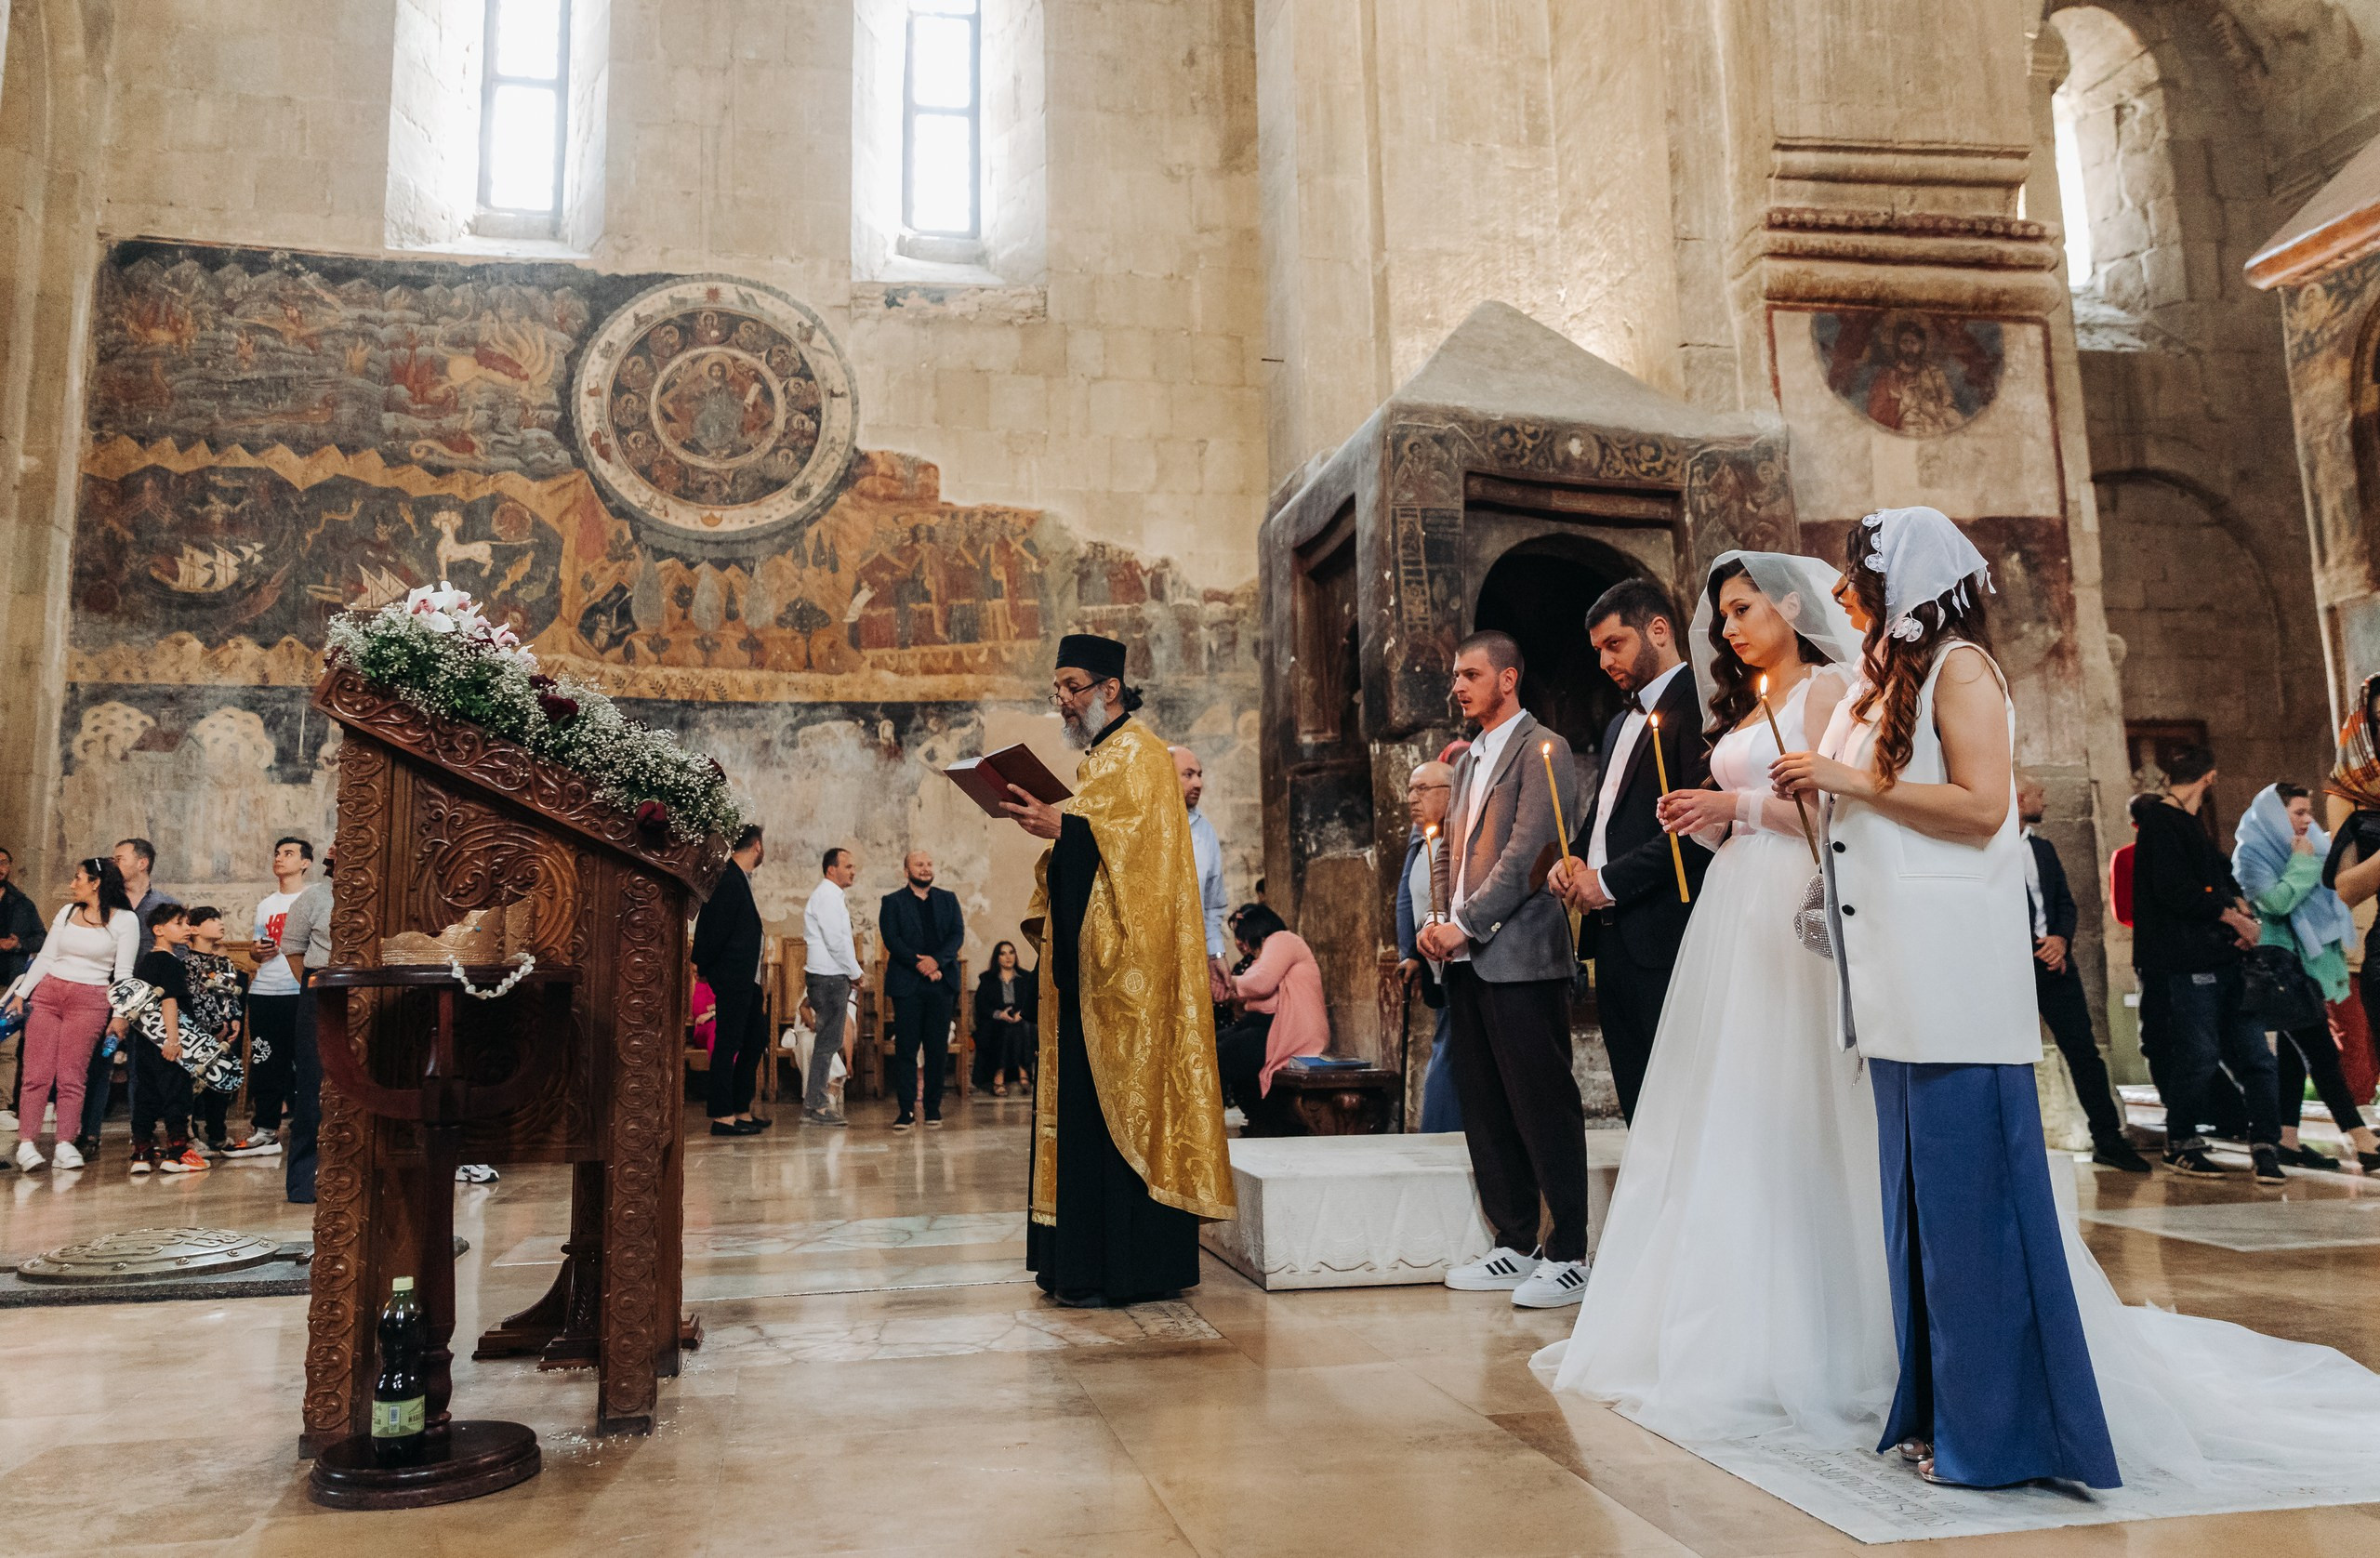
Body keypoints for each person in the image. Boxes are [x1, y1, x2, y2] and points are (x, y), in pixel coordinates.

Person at [1787, 506, 2118, 1488]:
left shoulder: (1962, 667)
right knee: (1921, 1212)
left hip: (1955, 981)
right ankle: (1939, 1410)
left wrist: (1848, 778)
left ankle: (2006, 1430)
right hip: (1898, 975)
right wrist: (1822, 786)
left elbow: (1982, 809)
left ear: (1902, 582)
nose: (1848, 595)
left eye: (1861, 577)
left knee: (1972, 1212)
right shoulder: (1888, 679)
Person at [1540, 550, 1878, 1439]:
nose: (1727, 627)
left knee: (1788, 1094)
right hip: (1733, 904)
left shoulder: (1826, 692)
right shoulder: (1742, 702)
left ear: (1791, 605)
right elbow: (1748, 797)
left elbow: (1836, 811)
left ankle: (1823, 1328)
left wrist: (1733, 811)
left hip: (1785, 901)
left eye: (1741, 608)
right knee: (1721, 1106)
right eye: (1720, 613)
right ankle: (1718, 1311)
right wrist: (1705, 810)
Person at [998, 631, 1233, 1307]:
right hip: (1090, 971)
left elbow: (1142, 866)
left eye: (1072, 687)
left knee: (1112, 1120)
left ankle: (1126, 1266)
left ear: (1110, 689)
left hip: (1128, 978)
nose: (1063, 702)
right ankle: (1079, 1261)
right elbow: (1101, 846)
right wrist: (1061, 829)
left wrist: (1064, 830)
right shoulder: (1103, 759)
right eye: (1057, 690)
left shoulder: (1143, 756)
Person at [1415, 629, 1591, 1310]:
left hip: (1520, 957)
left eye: (1470, 674)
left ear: (1508, 678)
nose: (1458, 685)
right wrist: (1440, 921)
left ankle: (1570, 1250)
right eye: (1457, 675)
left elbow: (1530, 852)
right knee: (1484, 1106)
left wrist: (1468, 922)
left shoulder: (1544, 747)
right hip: (1466, 957)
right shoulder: (1465, 762)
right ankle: (1514, 1241)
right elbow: (1456, 856)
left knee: (1543, 1105)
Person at [1550, 577, 1714, 1122]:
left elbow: (1698, 831)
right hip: (1613, 940)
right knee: (1638, 1103)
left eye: (1614, 644)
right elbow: (1606, 817)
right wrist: (1574, 857)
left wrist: (1609, 881)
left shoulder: (1701, 703)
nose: (1602, 661)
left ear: (1659, 630)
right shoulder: (1621, 719)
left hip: (1667, 929)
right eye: (1597, 649)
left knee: (1679, 1101)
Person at [2132, 746, 2281, 1182]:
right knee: (2199, 1055)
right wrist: (2230, 914)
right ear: (2210, 779)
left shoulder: (2188, 822)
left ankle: (2267, 1147)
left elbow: (2217, 875)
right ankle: (2181, 1142)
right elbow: (2173, 889)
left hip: (2226, 956)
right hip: (2188, 961)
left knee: (2257, 1056)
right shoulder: (2162, 821)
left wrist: (2239, 909)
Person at [2236, 783, 2380, 1172]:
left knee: (2294, 1059)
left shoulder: (2312, 844)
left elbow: (2336, 892)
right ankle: (2362, 1140)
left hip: (2307, 967)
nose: (2308, 820)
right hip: (2279, 969)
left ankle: (2287, 1139)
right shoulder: (2253, 852)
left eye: (2308, 812)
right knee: (2322, 1054)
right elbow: (2275, 901)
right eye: (2298, 813)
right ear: (2273, 815)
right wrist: (2302, 864)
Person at [2016, 776, 2152, 1172]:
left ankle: (2107, 1138)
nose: (2045, 798)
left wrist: (2059, 939)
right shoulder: (1987, 850)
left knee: (2084, 1053)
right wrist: (2033, 946)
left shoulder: (2042, 848)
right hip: (2014, 966)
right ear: (2020, 798)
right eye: (2038, 793)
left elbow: (2063, 901)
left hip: (2056, 965)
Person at [3, 857, 138, 1172]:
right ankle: (26, 1143)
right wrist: (22, 994)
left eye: (78, 878)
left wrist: (120, 1015)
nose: (72, 884)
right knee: (36, 1074)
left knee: (72, 1076)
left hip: (90, 999)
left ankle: (65, 1142)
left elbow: (124, 974)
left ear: (96, 883)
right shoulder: (67, 911)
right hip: (49, 995)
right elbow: (47, 956)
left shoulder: (125, 921)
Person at [231, 836, 312, 1158]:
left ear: (305, 863)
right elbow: (255, 950)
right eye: (277, 853)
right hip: (266, 989)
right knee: (265, 1061)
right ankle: (265, 1130)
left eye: (289, 854)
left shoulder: (314, 899)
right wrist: (255, 951)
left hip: (299, 989)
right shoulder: (266, 904)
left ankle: (310, 1127)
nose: (280, 858)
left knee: (305, 1062)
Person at [1393, 759, 1462, 1132]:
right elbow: (1408, 893)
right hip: (1435, 959)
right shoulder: (1422, 838)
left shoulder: (1461, 835)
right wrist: (1411, 953)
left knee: (1451, 1048)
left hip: (1463, 954)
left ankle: (1441, 1132)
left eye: (1422, 790)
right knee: (1447, 1044)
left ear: (1452, 794)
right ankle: (1438, 1132)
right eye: (1409, 790)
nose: (1411, 799)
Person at [1212, 903, 1328, 1116]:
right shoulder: (1265, 955)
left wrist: (1228, 983)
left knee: (1216, 1054)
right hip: (1267, 1027)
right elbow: (1263, 998)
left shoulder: (1282, 939)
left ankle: (1201, 1119)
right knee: (1208, 1044)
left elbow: (1262, 984)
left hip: (1288, 1033)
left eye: (1241, 935)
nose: (1240, 943)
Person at [879, 849, 964, 1129]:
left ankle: (933, 1108)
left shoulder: (948, 900)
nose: (925, 868)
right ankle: (906, 1111)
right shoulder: (892, 902)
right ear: (906, 871)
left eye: (929, 863)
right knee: (907, 1049)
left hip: (942, 983)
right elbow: (893, 939)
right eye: (919, 864)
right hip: (908, 984)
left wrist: (936, 961)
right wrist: (921, 964)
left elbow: (956, 935)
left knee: (937, 1049)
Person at [693, 825, 769, 1137]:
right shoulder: (728, 879)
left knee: (754, 1040)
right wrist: (703, 964)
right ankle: (722, 1116)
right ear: (757, 847)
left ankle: (741, 1109)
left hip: (747, 977)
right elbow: (712, 927)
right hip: (733, 975)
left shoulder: (741, 880)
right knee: (728, 1043)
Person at [126, 904, 206, 1175]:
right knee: (176, 1093)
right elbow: (169, 1002)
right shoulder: (171, 962)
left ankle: (142, 1151)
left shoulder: (146, 962)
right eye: (179, 924)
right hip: (168, 1041)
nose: (187, 929)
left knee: (146, 1093)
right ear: (158, 930)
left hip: (145, 1041)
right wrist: (173, 1041)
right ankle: (177, 1152)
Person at [276, 851, 336, 1202]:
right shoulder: (314, 897)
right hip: (321, 989)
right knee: (314, 1082)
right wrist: (314, 987)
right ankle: (304, 1181)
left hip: (374, 988)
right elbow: (294, 949)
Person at [800, 846, 862, 1127]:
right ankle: (816, 1106)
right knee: (827, 1043)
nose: (852, 871)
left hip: (829, 976)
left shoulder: (831, 896)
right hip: (829, 977)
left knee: (829, 1041)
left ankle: (816, 1103)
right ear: (831, 869)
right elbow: (836, 940)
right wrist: (855, 972)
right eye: (847, 866)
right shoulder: (827, 896)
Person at [182, 905, 247, 1155]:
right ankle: (190, 1134)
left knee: (220, 1080)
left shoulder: (224, 962)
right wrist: (213, 1026)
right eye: (212, 919)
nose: (219, 923)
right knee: (194, 1085)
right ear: (195, 928)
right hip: (199, 1033)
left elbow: (229, 994)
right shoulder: (188, 963)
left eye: (220, 918)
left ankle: (217, 1133)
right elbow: (196, 999)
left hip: (224, 1033)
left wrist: (235, 1018)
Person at [1171, 746, 1234, 1001]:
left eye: (1199, 774)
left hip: (1190, 960)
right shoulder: (1140, 821)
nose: (1198, 782)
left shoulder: (1205, 831)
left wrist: (1215, 954)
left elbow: (1211, 905)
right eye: (1187, 774)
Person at [0, 846, 44, 1136]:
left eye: (3, 862)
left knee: (6, 1049)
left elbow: (42, 939)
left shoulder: (22, 903)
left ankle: (3, 1106)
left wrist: (18, 945)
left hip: (8, 986)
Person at [972, 940, 1037, 1095]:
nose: (1008, 957)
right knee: (1005, 1028)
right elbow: (981, 1005)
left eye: (1011, 952)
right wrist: (1000, 1014)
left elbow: (1032, 1000)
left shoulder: (1026, 977)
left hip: (1021, 1018)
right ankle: (1004, 1074)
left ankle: (1018, 1073)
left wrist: (1021, 1013)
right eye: (1003, 953)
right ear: (997, 958)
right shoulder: (987, 979)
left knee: (1022, 1026)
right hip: (995, 1021)